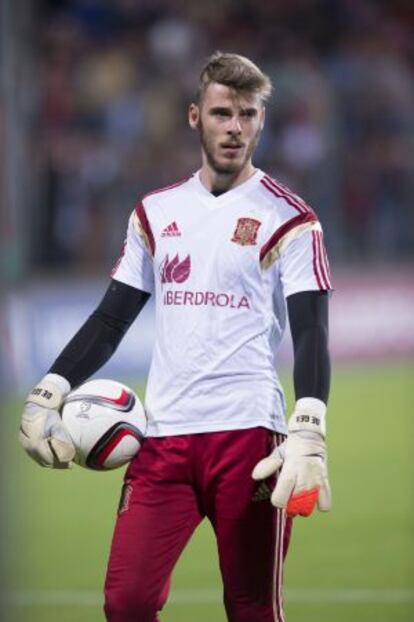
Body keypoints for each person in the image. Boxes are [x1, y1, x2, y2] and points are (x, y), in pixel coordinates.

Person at [19, 52, 332, 622]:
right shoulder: (155, 212)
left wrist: (309, 427)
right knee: (127, 603)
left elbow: (311, 328)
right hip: (162, 439)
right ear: (195, 117)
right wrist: (49, 389)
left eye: (246, 114)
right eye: (221, 113)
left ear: (262, 120)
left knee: (252, 608)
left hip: (249, 439)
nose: (234, 127)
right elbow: (112, 317)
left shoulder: (292, 219)